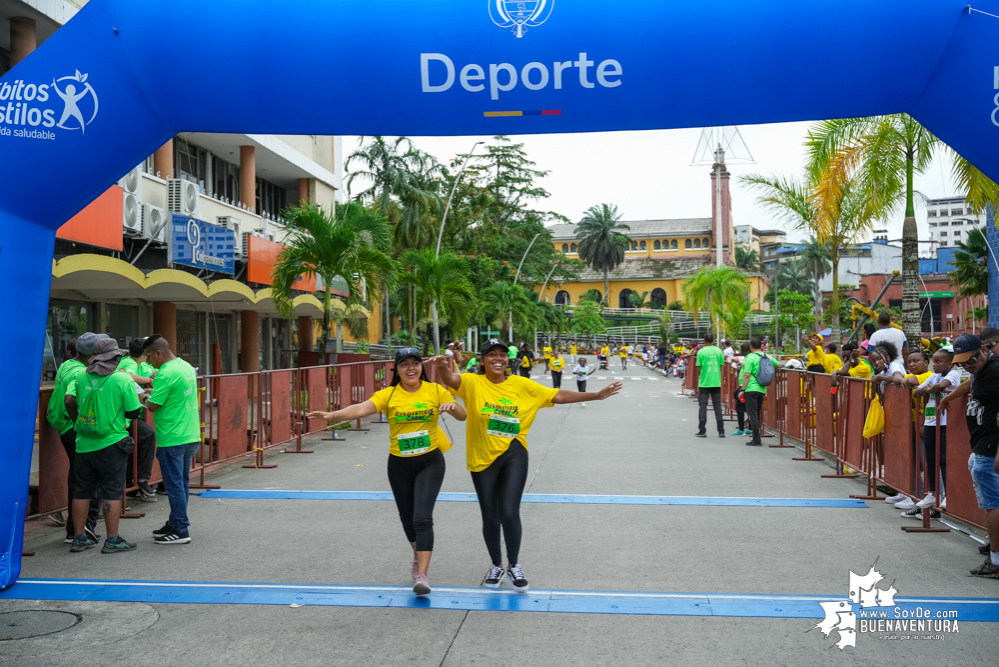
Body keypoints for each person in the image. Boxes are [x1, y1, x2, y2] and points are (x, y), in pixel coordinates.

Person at [435, 339, 622, 591]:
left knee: (509, 512)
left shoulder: (522, 385)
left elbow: (557, 395)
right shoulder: (472, 382)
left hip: (513, 453)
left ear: (508, 360)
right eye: (491, 354)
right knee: (490, 516)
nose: (497, 358)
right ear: (482, 360)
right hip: (481, 458)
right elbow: (451, 379)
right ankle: (496, 566)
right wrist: (442, 365)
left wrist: (596, 395)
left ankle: (513, 566)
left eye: (502, 354)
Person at [308, 347, 466, 595]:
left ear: (422, 367)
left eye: (415, 363)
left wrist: (452, 407)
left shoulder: (435, 390)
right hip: (400, 465)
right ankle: (418, 556)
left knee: (422, 518)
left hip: (430, 462)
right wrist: (331, 416)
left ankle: (422, 575)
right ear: (397, 370)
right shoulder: (389, 395)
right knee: (407, 519)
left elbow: (462, 415)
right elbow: (360, 408)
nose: (411, 368)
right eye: (405, 364)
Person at [64, 336, 141, 554]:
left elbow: (69, 400)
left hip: (83, 443)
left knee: (82, 491)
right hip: (111, 443)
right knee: (112, 492)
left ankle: (79, 538)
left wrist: (76, 420)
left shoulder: (79, 375)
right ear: (115, 357)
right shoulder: (121, 380)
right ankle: (113, 540)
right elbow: (133, 412)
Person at [938, 334, 999, 578]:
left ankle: (995, 561)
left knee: (993, 505)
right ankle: (994, 546)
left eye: (971, 360)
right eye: (962, 363)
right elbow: (970, 384)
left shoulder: (995, 371)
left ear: (983, 350)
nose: (967, 366)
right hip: (981, 448)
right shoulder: (980, 370)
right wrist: (947, 398)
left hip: (989, 448)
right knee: (990, 504)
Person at [143, 334, 202, 545]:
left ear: (158, 353)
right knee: (182, 483)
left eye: (149, 356)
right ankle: (175, 521)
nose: (149, 361)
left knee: (174, 485)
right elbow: (172, 395)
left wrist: (142, 396)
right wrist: (154, 391)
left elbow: (153, 406)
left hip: (172, 436)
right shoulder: (185, 366)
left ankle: (180, 529)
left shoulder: (166, 373)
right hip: (190, 434)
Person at [45, 336, 101, 545]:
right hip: (74, 429)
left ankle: (76, 530)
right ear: (91, 354)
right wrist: (80, 423)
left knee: (77, 479)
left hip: (65, 428)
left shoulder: (67, 365)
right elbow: (70, 400)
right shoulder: (80, 373)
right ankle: (77, 531)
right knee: (84, 481)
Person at [902, 348, 961, 514]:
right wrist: (929, 388)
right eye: (934, 361)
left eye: (938, 362)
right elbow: (917, 393)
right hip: (930, 422)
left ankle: (948, 495)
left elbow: (941, 386)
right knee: (930, 457)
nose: (935, 365)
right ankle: (933, 493)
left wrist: (931, 388)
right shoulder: (934, 375)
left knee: (943, 459)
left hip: (944, 422)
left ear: (950, 363)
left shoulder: (953, 374)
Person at [118, 337, 157, 501]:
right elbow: (126, 376)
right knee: (147, 435)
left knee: (136, 442)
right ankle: (141, 479)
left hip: (128, 414)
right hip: (123, 415)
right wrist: (148, 381)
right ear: (145, 353)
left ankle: (132, 482)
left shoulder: (135, 362)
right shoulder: (131, 364)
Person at [737, 338, 777, 446]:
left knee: (752, 414)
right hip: (762, 388)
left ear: (751, 347)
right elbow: (778, 365)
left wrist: (742, 390)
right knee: (756, 413)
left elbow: (747, 375)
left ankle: (756, 439)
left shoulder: (750, 357)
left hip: (751, 388)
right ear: (761, 346)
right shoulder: (767, 356)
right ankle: (756, 437)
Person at [695, 333, 725, 438]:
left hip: (704, 382)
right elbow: (721, 366)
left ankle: (702, 430)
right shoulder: (718, 351)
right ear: (713, 340)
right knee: (717, 406)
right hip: (716, 381)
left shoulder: (701, 352)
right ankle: (721, 431)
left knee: (703, 405)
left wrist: (702, 374)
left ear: (704, 340)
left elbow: (698, 367)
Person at [731, 342, 750, 436]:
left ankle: (741, 429)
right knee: (750, 408)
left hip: (745, 387)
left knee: (740, 408)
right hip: (752, 387)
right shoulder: (755, 358)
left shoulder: (747, 359)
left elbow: (747, 375)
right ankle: (750, 428)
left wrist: (742, 390)